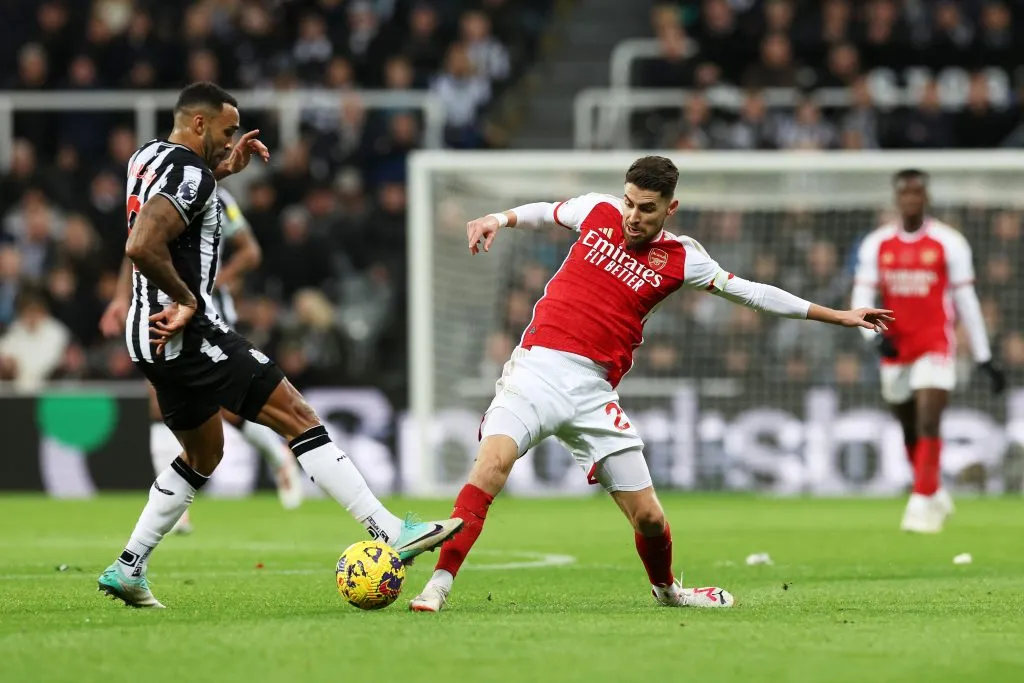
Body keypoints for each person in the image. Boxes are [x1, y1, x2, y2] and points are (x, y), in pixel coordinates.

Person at [408, 155, 893, 612]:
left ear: (669, 208)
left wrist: (841, 317)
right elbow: (547, 211)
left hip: (593, 392)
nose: (632, 217)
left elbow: (755, 294)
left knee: (651, 519)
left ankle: (668, 593)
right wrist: (500, 217)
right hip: (535, 369)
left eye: (646, 208)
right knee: (492, 466)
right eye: (629, 203)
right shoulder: (596, 210)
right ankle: (437, 587)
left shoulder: (684, 258)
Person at [97, 82, 462, 608]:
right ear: (198, 124)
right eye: (226, 133)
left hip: (144, 332)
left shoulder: (147, 157)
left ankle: (129, 566)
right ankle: (386, 529)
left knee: (204, 452)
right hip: (183, 329)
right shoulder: (193, 172)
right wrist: (187, 299)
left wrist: (223, 170)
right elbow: (141, 244)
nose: (231, 141)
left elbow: (165, 210)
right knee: (297, 414)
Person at [100, 186, 304, 534]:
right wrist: (121, 297)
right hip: (158, 307)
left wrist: (215, 281)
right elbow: (133, 250)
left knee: (225, 407)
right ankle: (177, 511)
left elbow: (250, 252)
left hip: (206, 313)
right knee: (159, 397)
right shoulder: (157, 196)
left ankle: (276, 454)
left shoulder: (220, 198)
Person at [851, 169, 1005, 534]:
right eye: (905, 194)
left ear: (926, 198)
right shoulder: (877, 244)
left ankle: (920, 503)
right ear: (897, 199)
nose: (911, 200)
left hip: (935, 344)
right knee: (908, 429)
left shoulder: (950, 243)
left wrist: (983, 355)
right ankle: (934, 490)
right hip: (896, 346)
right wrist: (871, 336)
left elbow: (966, 301)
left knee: (929, 420)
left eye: (917, 193)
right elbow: (861, 296)